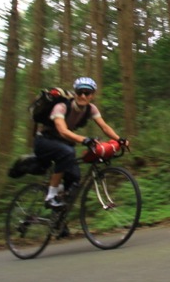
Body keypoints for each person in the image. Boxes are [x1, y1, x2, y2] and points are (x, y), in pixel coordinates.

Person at [33, 76, 127, 208]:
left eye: (87, 93)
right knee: (67, 152)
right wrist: (84, 139)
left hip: (63, 143)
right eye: (79, 92)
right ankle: (50, 196)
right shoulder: (61, 107)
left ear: (92, 95)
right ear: (75, 93)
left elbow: (104, 126)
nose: (83, 96)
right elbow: (63, 131)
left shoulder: (91, 109)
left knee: (74, 178)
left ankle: (58, 224)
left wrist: (119, 140)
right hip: (44, 141)